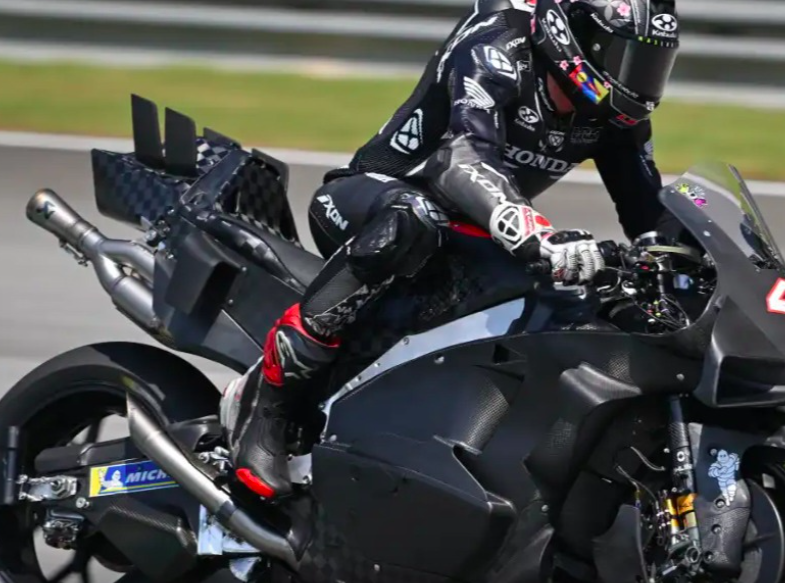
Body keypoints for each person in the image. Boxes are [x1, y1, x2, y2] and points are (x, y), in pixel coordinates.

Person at [221, 0, 681, 499]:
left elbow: (650, 216)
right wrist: (538, 235)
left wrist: (698, 266)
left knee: (576, 297)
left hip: (476, 233)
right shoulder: (497, 46)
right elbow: (461, 160)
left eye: (652, 64)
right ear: (570, 39)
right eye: (626, 58)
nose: (639, 81)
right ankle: (267, 400)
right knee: (415, 220)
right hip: (372, 202)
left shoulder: (614, 116)